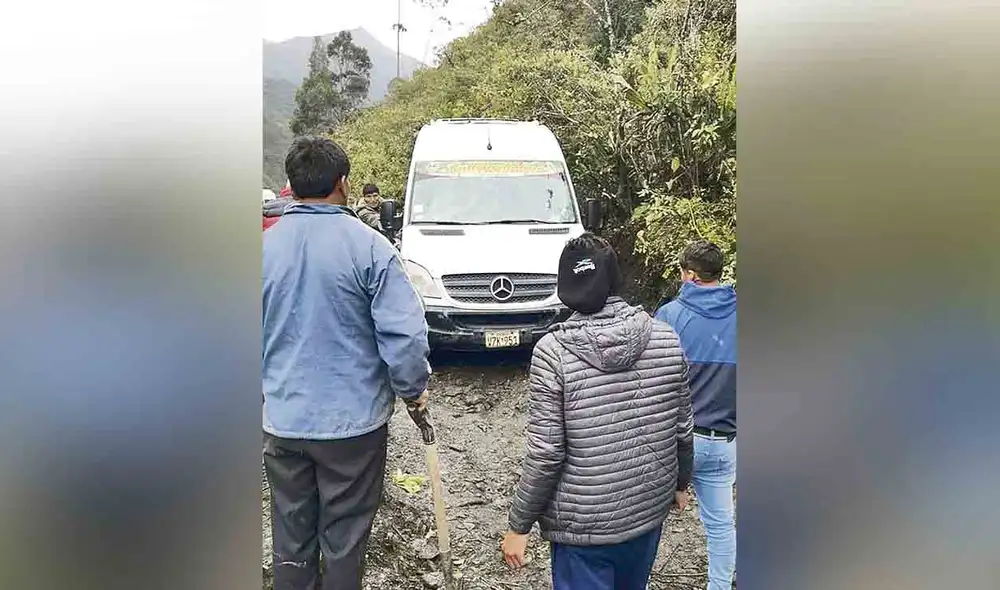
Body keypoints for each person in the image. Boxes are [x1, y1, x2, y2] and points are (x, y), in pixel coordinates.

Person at [262, 137, 431, 590]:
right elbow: (406, 337)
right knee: (344, 542)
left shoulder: (262, 250)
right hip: (352, 430)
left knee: (290, 542)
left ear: (291, 188)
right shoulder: (371, 249)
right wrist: (413, 392)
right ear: (343, 183)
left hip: (283, 422)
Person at [501, 233, 694, 590]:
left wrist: (519, 525)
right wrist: (682, 483)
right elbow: (682, 427)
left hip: (584, 527)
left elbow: (546, 454)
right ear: (615, 279)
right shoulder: (667, 338)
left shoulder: (552, 353)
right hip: (647, 511)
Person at [654, 240, 737, 590]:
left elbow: (653, 383)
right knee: (721, 526)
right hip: (724, 441)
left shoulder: (670, 316)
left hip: (674, 443)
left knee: (646, 524)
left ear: (688, 274)